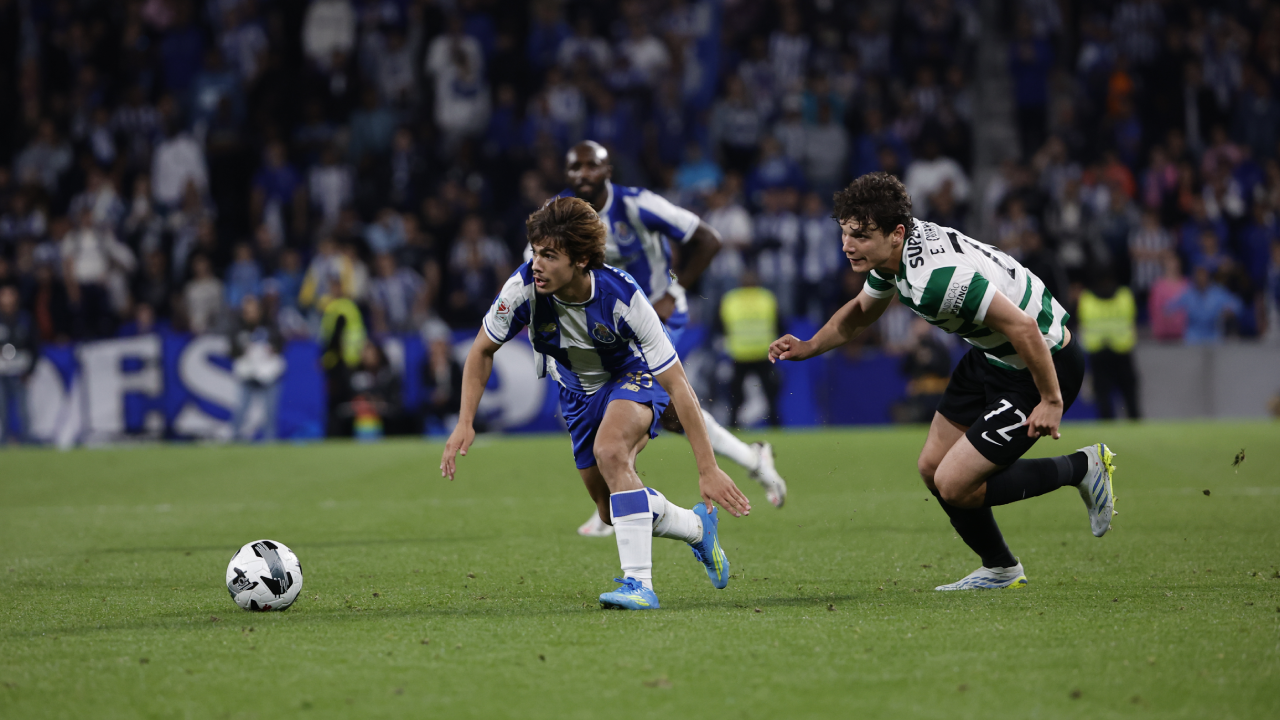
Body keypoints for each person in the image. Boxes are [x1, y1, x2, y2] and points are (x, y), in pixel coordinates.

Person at [769, 172, 1117, 591]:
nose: (847, 245)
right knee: (932, 468)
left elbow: (1025, 328)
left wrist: (1051, 399)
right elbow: (862, 311)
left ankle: (1083, 467)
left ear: (896, 233)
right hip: (992, 357)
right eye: (845, 233)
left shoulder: (938, 278)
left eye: (859, 235)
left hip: (1042, 364)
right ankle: (1000, 568)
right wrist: (808, 346)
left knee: (953, 483)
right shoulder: (896, 257)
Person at [440, 197, 750, 611]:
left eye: (550, 255)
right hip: (574, 392)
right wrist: (465, 421)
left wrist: (707, 467)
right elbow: (480, 351)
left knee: (611, 451)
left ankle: (639, 584)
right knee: (611, 513)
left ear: (582, 259)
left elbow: (679, 385)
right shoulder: (522, 290)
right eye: (535, 252)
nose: (537, 264)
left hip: (631, 375)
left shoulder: (622, 296)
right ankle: (696, 528)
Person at [562, 140, 788, 538]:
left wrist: (672, 289)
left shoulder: (636, 205)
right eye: (575, 167)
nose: (583, 174)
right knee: (665, 415)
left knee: (634, 403)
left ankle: (618, 498)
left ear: (607, 170)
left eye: (590, 166)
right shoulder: (564, 216)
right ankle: (751, 458)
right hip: (608, 329)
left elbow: (709, 239)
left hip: (654, 318)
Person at [718, 264, 781, 428]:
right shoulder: (767, 298)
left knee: (736, 396)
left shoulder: (730, 299)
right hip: (763, 353)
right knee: (770, 394)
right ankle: (776, 426)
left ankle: (733, 426)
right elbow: (780, 325)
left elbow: (719, 326)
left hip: (740, 354)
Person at [1077, 274, 1140, 419]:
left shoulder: (1086, 298)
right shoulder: (1125, 296)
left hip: (1099, 351)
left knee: (1103, 395)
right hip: (1121, 349)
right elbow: (1132, 318)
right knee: (1128, 394)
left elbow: (1081, 321)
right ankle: (1135, 424)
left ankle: (1108, 426)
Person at [229, 295, 285, 441]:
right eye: (247, 311)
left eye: (253, 310)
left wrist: (272, 349)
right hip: (247, 373)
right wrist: (243, 349)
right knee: (241, 408)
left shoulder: (270, 325)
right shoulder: (238, 328)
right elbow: (232, 351)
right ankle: (235, 438)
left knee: (269, 411)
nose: (250, 314)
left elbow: (281, 344)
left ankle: (269, 441)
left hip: (268, 373)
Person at [0, 284, 36, 444]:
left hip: (20, 371)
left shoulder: (25, 318)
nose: (7, 298)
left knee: (23, 408)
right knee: (2, 407)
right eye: (4, 295)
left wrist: (30, 369)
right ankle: (4, 440)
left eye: (10, 294)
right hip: (1, 372)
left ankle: (26, 439)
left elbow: (35, 345)